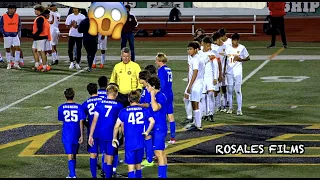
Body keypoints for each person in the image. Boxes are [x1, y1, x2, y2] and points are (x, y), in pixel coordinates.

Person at [113, 90, 155, 178]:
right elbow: (152, 121)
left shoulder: (124, 111)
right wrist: (147, 132)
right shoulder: (144, 110)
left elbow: (116, 126)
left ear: (129, 99)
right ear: (139, 99)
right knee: (138, 164)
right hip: (140, 141)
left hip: (129, 143)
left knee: (131, 167)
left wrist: (114, 138)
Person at [88, 84, 124, 178]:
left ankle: (95, 176)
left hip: (100, 134)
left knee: (102, 154)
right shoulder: (119, 106)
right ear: (116, 94)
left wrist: (90, 135)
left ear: (107, 93)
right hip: (112, 135)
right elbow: (121, 122)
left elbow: (94, 121)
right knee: (109, 157)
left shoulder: (99, 104)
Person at [57, 88, 85, 178]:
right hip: (76, 131)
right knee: (74, 153)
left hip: (67, 133)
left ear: (65, 96)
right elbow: (81, 121)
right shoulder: (79, 107)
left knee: (70, 154)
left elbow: (62, 119)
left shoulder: (61, 107)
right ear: (74, 95)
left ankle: (72, 174)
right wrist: (82, 135)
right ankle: (72, 172)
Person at [146, 76, 168, 178]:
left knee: (159, 153)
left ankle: (162, 176)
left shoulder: (161, 96)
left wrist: (152, 95)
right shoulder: (159, 95)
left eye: (148, 86)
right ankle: (163, 175)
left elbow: (155, 108)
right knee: (161, 153)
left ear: (153, 86)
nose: (147, 88)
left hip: (159, 128)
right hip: (157, 127)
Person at [224, 33, 250, 115]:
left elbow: (248, 57)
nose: (233, 42)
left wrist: (240, 59)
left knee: (238, 90)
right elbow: (224, 59)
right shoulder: (227, 47)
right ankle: (230, 108)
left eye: (235, 40)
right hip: (229, 72)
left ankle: (239, 109)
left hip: (238, 72)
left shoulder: (242, 47)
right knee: (230, 90)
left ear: (238, 40)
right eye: (232, 40)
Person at [81, 83, 103, 178]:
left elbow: (82, 119)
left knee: (93, 154)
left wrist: (88, 124)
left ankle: (94, 176)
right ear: (97, 90)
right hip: (104, 129)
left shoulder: (85, 103)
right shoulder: (103, 101)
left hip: (92, 131)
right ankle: (106, 172)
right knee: (106, 152)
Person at [155, 53, 176, 144]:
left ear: (160, 61)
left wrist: (158, 92)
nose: (155, 62)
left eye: (156, 60)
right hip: (170, 93)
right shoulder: (169, 69)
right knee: (171, 116)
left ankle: (162, 136)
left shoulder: (161, 70)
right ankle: (173, 138)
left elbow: (162, 83)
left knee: (162, 116)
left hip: (163, 94)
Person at [184, 41, 205, 131]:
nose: (189, 51)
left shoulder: (196, 59)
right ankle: (196, 123)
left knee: (195, 104)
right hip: (196, 83)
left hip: (196, 84)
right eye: (188, 49)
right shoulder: (195, 58)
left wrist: (190, 85)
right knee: (191, 102)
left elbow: (195, 72)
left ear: (196, 50)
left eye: (191, 49)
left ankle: (198, 124)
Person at [199, 36, 218, 122]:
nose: (209, 47)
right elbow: (200, 64)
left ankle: (211, 113)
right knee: (203, 96)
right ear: (203, 44)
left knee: (210, 95)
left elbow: (216, 66)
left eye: (209, 46)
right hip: (202, 78)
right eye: (207, 45)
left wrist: (215, 77)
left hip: (210, 77)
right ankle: (204, 113)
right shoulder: (199, 54)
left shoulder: (213, 53)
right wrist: (207, 59)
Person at [138, 70, 155, 167]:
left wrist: (137, 105)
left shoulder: (148, 89)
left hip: (148, 115)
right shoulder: (145, 88)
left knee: (147, 136)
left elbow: (148, 104)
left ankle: (149, 160)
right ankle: (149, 157)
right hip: (147, 115)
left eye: (140, 79)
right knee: (148, 137)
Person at [0, 4, 22, 70]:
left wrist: (17, 32)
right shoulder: (3, 16)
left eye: (13, 8)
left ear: (15, 9)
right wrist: (4, 33)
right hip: (7, 36)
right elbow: (1, 26)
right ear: (8, 9)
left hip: (15, 35)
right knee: (8, 49)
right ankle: (9, 63)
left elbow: (19, 25)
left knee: (17, 48)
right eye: (10, 8)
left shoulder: (17, 16)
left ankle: (16, 63)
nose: (12, 10)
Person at [31, 6, 51, 72]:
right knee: (34, 50)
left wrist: (34, 35)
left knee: (42, 51)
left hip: (40, 37)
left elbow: (40, 29)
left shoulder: (40, 18)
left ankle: (44, 67)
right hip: (39, 37)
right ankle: (37, 65)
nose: (34, 11)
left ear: (38, 10)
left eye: (35, 10)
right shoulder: (41, 17)